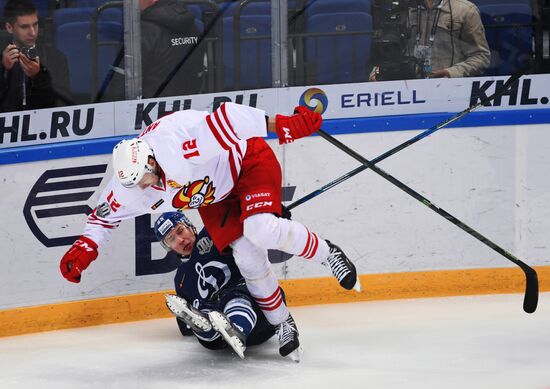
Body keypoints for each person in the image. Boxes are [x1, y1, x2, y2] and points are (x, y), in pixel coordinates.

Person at [59, 102, 361, 361]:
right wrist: (86, 245)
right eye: (134, 184)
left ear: (151, 160)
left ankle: (328, 253)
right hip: (212, 195)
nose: (141, 188)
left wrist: (281, 123)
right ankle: (282, 322)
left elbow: (230, 117)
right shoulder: (131, 183)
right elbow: (103, 218)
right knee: (247, 257)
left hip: (246, 162)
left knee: (262, 229)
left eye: (143, 179)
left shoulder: (179, 145)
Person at [155, 211, 281, 360]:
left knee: (235, 294)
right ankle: (208, 329)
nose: (180, 240)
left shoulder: (214, 231)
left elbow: (248, 227)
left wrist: (268, 216)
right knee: (207, 314)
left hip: (263, 316)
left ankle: (236, 329)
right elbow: (186, 328)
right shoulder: (181, 279)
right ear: (168, 247)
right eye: (171, 239)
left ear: (190, 226)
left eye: (181, 230)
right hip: (223, 343)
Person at [371, 0, 490, 80]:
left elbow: (481, 57)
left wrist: (451, 73)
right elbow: (388, 50)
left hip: (449, 88)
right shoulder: (403, 9)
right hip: (410, 86)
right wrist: (377, 72)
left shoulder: (465, 11)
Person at [0, 0, 71, 112]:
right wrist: (3, 70)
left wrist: (38, 77)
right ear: (9, 28)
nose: (32, 33)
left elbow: (62, 104)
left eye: (35, 24)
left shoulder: (56, 58)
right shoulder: (2, 58)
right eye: (25, 27)